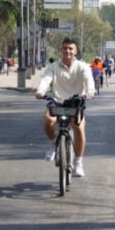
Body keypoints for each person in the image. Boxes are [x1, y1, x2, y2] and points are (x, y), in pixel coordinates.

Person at [35, 37, 95, 177]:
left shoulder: (83, 67)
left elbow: (89, 80)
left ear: (75, 51)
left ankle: (78, 162)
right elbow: (46, 80)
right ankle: (53, 144)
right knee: (48, 121)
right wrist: (40, 91)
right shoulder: (53, 67)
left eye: (70, 48)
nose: (67, 51)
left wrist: (90, 91)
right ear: (61, 50)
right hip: (57, 102)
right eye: (65, 48)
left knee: (79, 129)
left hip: (75, 103)